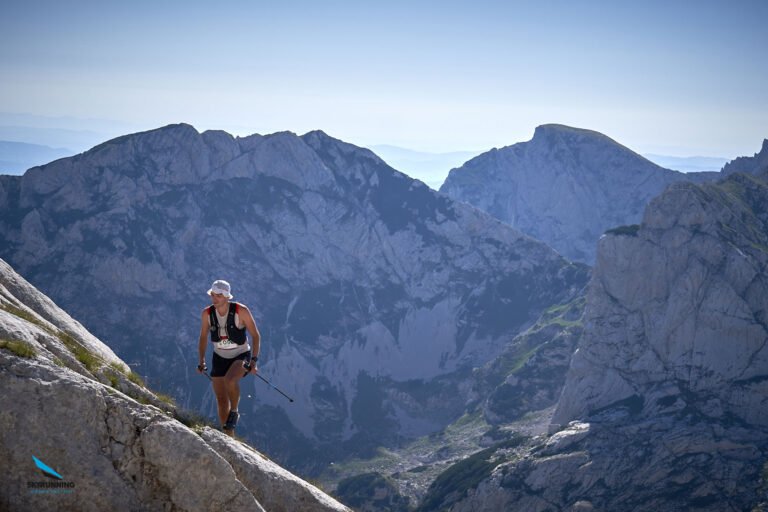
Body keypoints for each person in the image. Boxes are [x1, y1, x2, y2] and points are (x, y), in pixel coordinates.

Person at [197, 279, 261, 436]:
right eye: (213, 295)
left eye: (218, 295)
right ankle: (229, 436)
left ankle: (234, 410)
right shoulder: (207, 313)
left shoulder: (241, 311)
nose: (214, 298)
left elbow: (255, 336)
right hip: (219, 356)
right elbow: (203, 337)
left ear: (227, 296)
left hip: (241, 354)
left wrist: (253, 360)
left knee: (230, 380)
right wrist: (201, 360)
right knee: (220, 398)